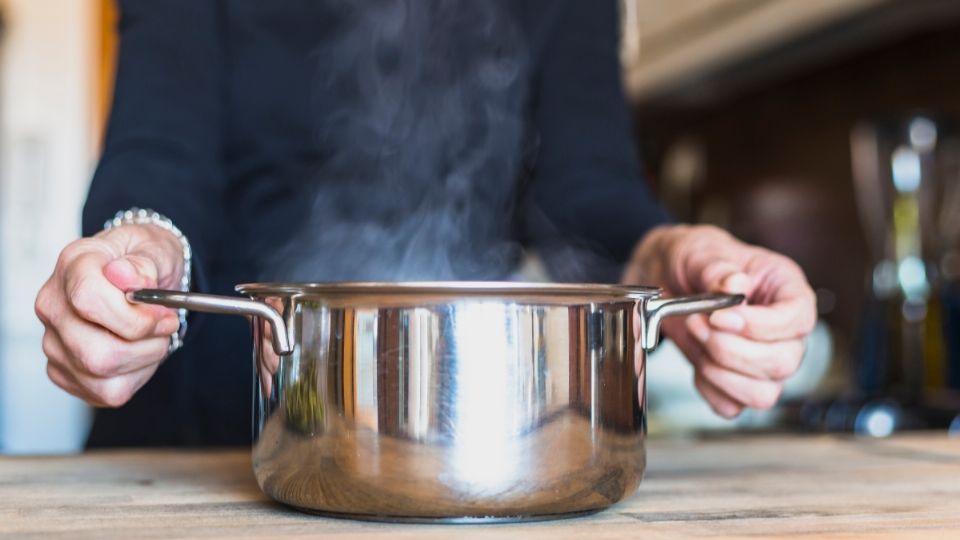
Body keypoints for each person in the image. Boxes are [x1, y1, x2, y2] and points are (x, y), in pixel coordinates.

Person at [34, 0, 815, 446]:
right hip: (194, 447)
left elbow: (589, 192)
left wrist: (670, 255)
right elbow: (158, 153)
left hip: (464, 445)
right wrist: (138, 254)